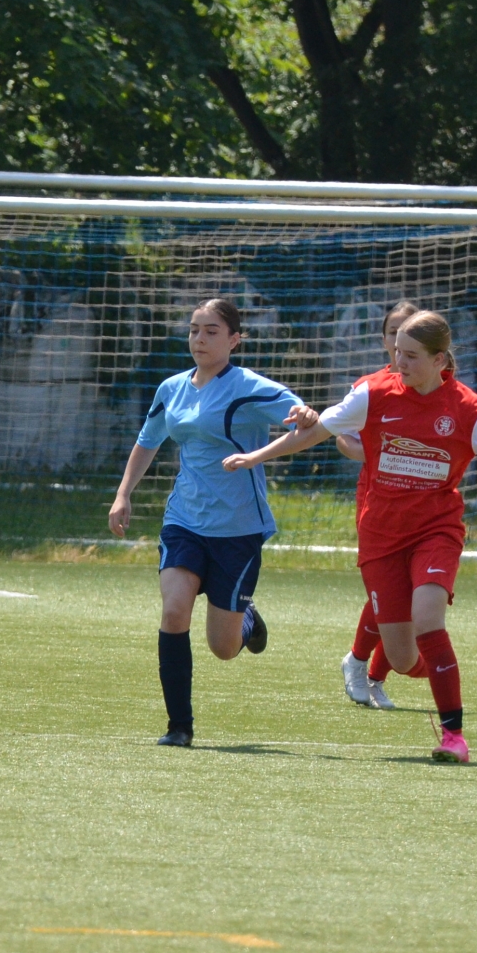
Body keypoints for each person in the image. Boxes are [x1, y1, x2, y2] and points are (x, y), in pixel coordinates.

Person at [224, 310, 477, 763]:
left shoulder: (469, 409)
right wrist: (257, 456)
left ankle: (453, 736)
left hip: (436, 530)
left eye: (411, 355)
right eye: (397, 352)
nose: (400, 362)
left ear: (440, 360)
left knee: (428, 617)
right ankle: (421, 668)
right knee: (401, 656)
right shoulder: (372, 393)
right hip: (381, 535)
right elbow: (316, 432)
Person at [108, 297, 305, 747]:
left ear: (234, 340)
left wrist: (292, 425)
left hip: (238, 530)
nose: (199, 338)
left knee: (223, 647)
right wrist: (123, 494)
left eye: (211, 331)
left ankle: (245, 620)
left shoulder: (249, 387)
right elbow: (148, 440)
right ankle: (179, 727)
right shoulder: (171, 388)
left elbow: (305, 422)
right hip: (184, 521)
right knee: (174, 610)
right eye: (194, 329)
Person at [338, 300, 419, 711]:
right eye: (393, 333)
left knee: (413, 593)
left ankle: (374, 676)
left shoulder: (438, 386)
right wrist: (376, 455)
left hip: (424, 505)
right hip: (377, 500)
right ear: (385, 339)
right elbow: (342, 436)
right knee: (389, 590)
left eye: (410, 332)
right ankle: (358, 663)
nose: (399, 341)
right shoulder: (370, 387)